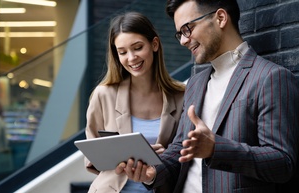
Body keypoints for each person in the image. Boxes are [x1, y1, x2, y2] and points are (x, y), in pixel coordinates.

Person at [115, 0, 299, 193]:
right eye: (179, 34)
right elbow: (181, 146)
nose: (184, 41)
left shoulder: (270, 77)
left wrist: (216, 149)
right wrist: (153, 172)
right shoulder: (196, 83)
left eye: (188, 29)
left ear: (220, 18)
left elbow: (282, 163)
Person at [84, 12, 186, 193]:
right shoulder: (104, 94)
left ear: (154, 44)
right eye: (122, 52)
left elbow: (187, 156)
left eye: (137, 48)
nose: (131, 58)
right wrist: (121, 159)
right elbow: (92, 155)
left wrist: (165, 157)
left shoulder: (181, 96)